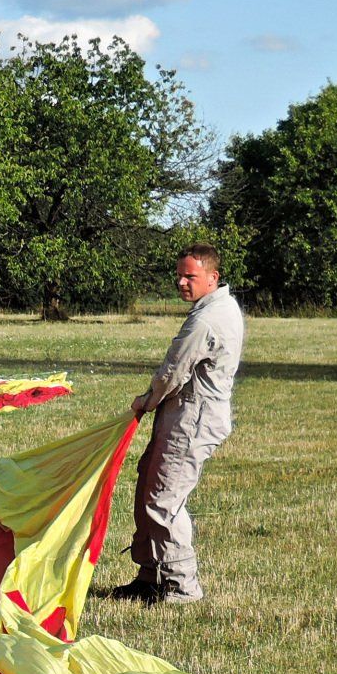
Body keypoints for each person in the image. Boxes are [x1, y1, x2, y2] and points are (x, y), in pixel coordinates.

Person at [111, 244, 244, 604]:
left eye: (191, 276)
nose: (182, 283)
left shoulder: (207, 319)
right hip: (183, 414)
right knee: (148, 488)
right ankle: (149, 576)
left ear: (213, 277)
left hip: (192, 419)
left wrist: (146, 401)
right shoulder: (220, 307)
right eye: (179, 276)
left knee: (163, 499)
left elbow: (173, 372)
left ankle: (181, 586)